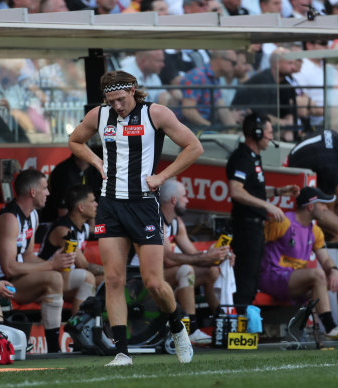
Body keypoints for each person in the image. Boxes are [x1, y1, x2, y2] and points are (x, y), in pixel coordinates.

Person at [69, 70, 203, 366]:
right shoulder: (99, 115)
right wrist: (97, 161)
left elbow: (194, 147)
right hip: (110, 204)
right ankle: (122, 352)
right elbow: (75, 140)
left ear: (132, 90)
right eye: (111, 101)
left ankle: (177, 328)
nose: (117, 106)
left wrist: (162, 176)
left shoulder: (156, 113)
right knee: (114, 279)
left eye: (120, 99)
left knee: (153, 282)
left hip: (143, 205)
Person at [258, 187, 338, 340]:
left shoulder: (315, 230)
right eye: (323, 204)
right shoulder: (284, 222)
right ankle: (330, 327)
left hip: (294, 283)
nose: (326, 209)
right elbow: (256, 244)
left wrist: (333, 270)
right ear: (310, 206)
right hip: (271, 278)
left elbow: (325, 259)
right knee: (317, 274)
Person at [0, 169, 75, 353]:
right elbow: (9, 268)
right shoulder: (10, 218)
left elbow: (28, 256)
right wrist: (51, 266)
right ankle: (54, 348)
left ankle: (74, 336)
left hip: (15, 281)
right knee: (54, 279)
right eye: (45, 188)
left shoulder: (32, 215)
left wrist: (57, 265)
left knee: (62, 278)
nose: (48, 193)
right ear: (33, 192)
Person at [226, 113, 300, 314]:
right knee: (246, 279)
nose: (271, 137)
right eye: (268, 132)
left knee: (251, 279)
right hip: (246, 226)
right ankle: (240, 324)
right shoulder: (241, 158)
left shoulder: (253, 158)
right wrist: (268, 206)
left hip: (256, 227)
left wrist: (278, 191)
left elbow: (251, 191)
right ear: (256, 133)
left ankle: (246, 324)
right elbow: (236, 191)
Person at [159, 179, 233, 344]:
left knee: (211, 271)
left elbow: (193, 254)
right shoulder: (156, 220)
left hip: (165, 276)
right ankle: (191, 329)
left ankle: (223, 323)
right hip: (144, 277)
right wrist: (206, 257)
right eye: (184, 196)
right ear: (174, 200)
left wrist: (218, 256)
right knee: (186, 270)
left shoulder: (177, 222)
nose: (188, 200)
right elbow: (168, 259)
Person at [38, 184, 102, 313]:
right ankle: (78, 325)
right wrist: (113, 270)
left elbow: (102, 230)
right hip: (47, 280)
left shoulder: (83, 227)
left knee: (105, 283)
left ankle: (100, 326)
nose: (96, 204)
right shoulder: (63, 231)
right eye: (92, 201)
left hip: (67, 278)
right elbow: (83, 265)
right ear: (80, 207)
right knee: (93, 277)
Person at [179, 50, 241, 129]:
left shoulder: (214, 78)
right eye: (233, 63)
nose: (235, 67)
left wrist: (233, 130)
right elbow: (188, 111)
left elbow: (221, 107)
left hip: (202, 129)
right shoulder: (197, 76)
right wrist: (210, 127)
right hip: (189, 130)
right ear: (220, 60)